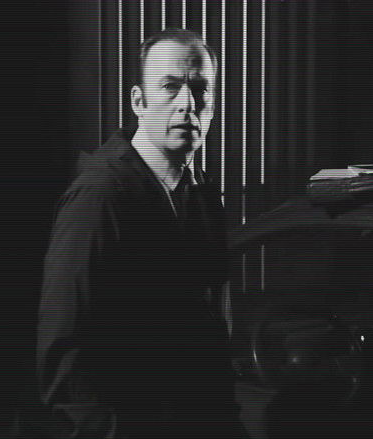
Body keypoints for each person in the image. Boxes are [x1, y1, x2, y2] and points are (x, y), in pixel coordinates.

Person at [37, 29, 241, 438]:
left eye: (200, 89)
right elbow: (65, 354)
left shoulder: (199, 192)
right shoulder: (99, 196)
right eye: (170, 87)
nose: (187, 104)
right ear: (138, 102)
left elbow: (209, 338)